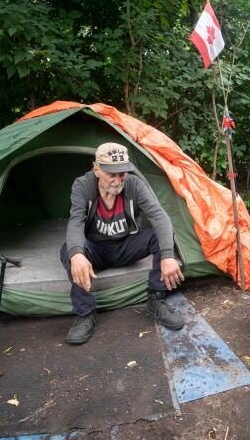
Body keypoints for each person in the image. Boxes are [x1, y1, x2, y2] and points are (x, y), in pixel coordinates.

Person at [60, 142, 185, 344]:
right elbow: (75, 221)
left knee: (161, 236)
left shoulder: (134, 184)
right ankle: (85, 313)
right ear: (97, 169)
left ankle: (156, 299)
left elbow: (159, 216)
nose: (118, 181)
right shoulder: (82, 185)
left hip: (127, 246)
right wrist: (77, 254)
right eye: (112, 174)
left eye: (122, 174)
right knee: (69, 250)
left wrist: (169, 256)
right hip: (97, 249)